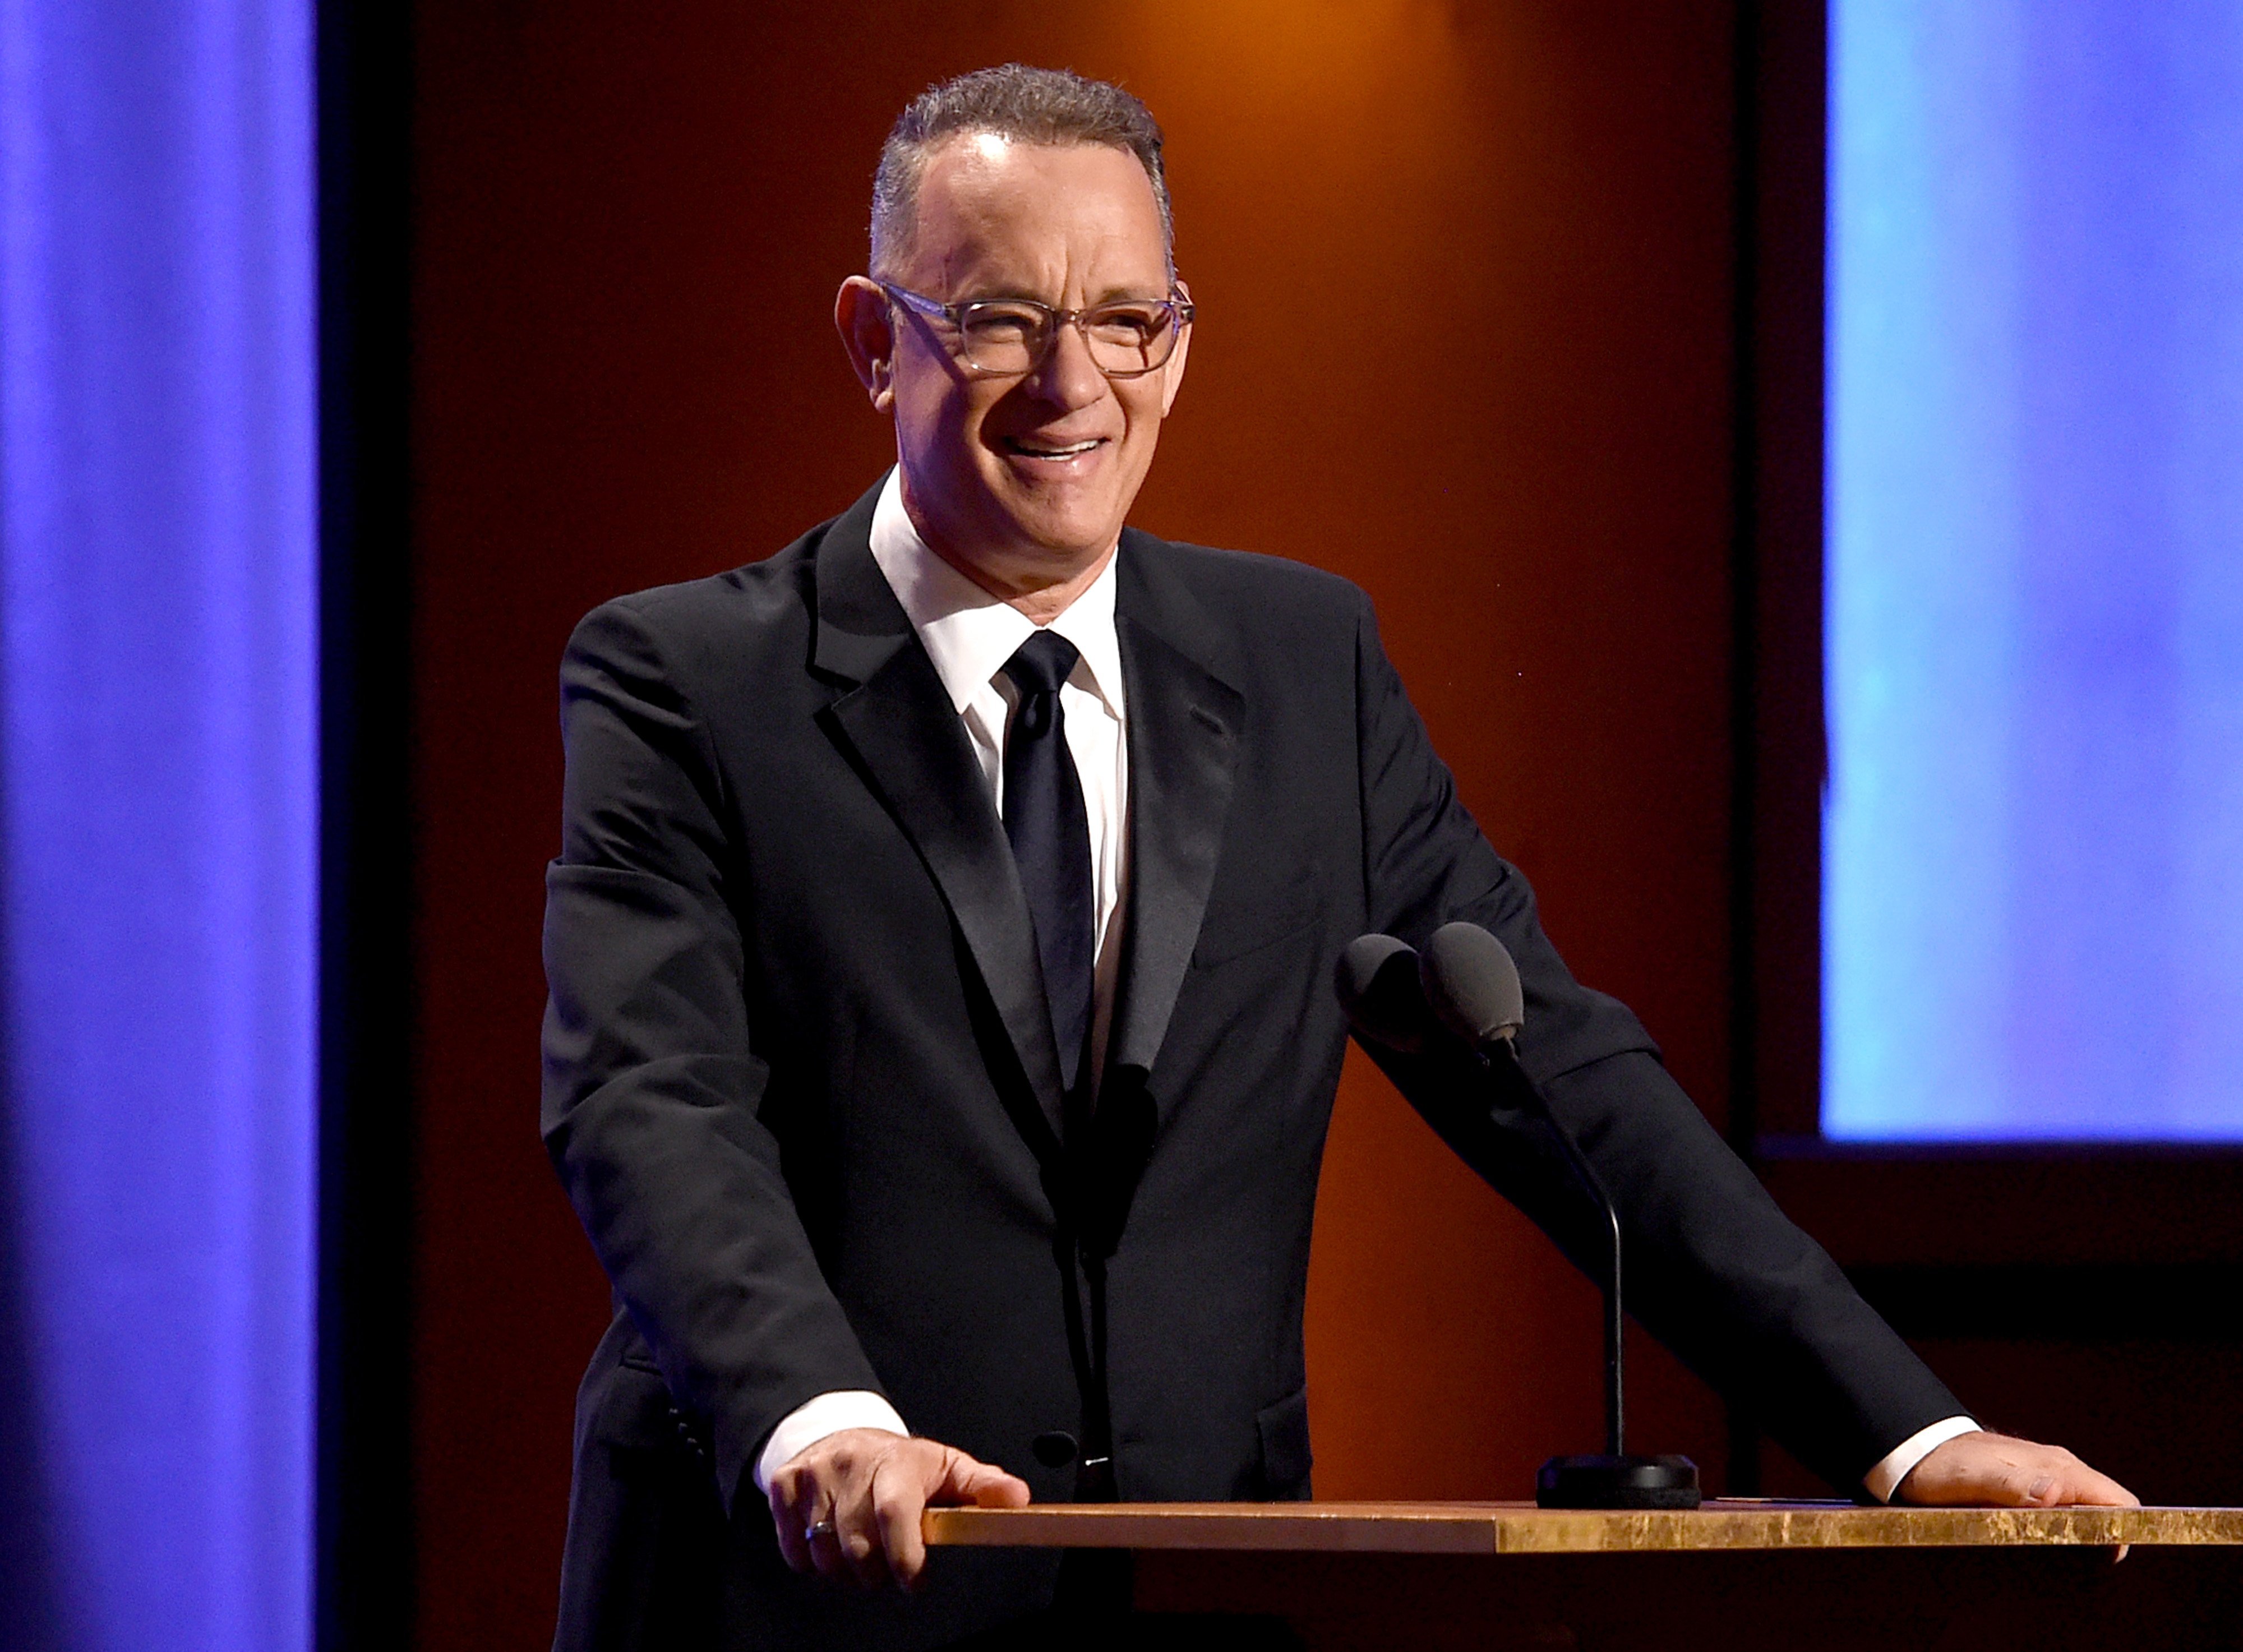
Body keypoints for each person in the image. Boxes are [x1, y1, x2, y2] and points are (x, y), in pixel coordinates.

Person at [541, 64, 2132, 1652]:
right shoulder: (688, 681)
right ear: (873, 340)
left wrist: (1910, 1435)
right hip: (793, 1592)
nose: (1069, 380)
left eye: (1125, 321)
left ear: (1180, 342)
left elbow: (1561, 1073)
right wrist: (816, 1414)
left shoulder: (1305, 662)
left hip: (1193, 1600)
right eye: (999, 317)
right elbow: (650, 1098)